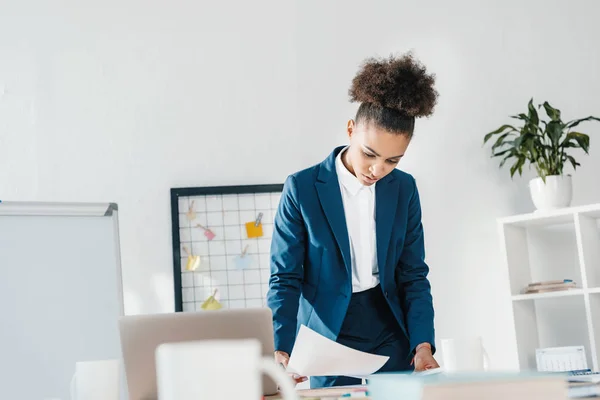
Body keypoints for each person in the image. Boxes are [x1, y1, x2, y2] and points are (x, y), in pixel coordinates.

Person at [267, 52, 439, 389]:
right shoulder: (302, 189)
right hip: (327, 337)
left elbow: (413, 275)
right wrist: (280, 347)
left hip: (388, 327)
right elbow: (285, 278)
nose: (377, 170)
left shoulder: (404, 189)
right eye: (369, 154)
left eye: (392, 160)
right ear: (350, 130)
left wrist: (423, 344)